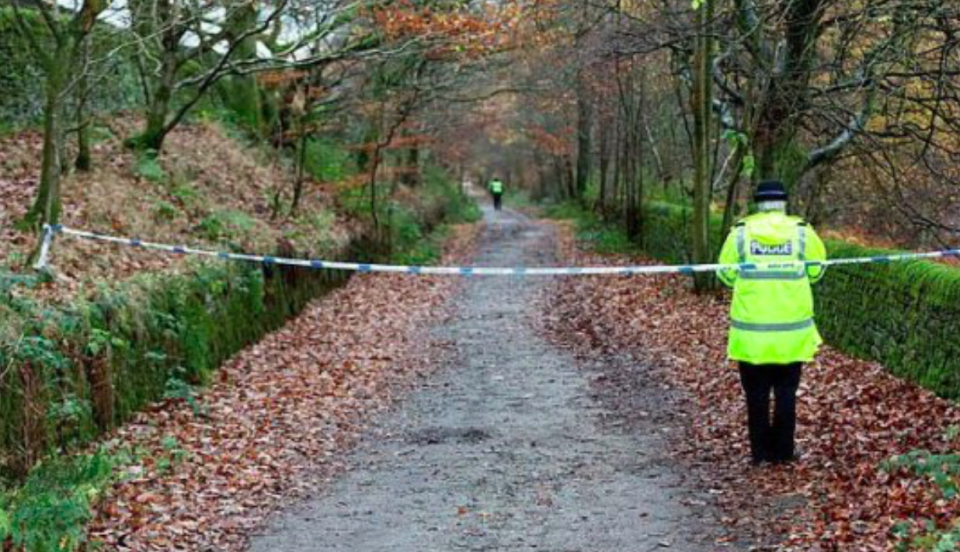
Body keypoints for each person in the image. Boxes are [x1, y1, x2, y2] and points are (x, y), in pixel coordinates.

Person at [717, 180, 827, 466]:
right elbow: (816, 271)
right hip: (791, 333)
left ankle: (760, 453)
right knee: (787, 392)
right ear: (784, 203)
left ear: (757, 203)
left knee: (755, 394)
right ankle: (783, 452)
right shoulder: (802, 233)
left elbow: (725, 274)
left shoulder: (740, 234)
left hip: (751, 333)